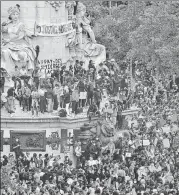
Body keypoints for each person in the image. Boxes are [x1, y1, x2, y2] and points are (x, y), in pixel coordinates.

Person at [1, 4, 36, 74]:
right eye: (13, 14)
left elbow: (18, 35)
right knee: (4, 52)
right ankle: (6, 69)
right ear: (10, 16)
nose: (15, 16)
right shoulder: (8, 25)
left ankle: (22, 71)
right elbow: (4, 34)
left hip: (20, 45)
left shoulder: (20, 25)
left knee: (22, 54)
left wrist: (8, 37)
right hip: (10, 45)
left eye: (17, 14)